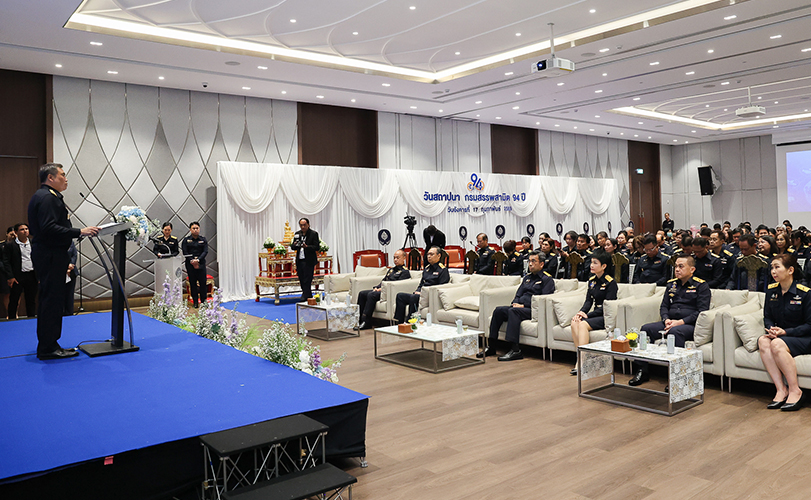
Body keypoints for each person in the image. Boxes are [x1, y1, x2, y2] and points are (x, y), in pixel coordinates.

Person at [28, 164, 99, 359]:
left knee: (51, 300)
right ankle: (48, 348)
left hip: (50, 253)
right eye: (62, 175)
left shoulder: (46, 196)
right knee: (51, 301)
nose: (66, 179)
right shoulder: (47, 198)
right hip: (51, 254)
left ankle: (50, 344)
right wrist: (79, 232)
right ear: (50, 178)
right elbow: (48, 228)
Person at [630, 255, 711, 387]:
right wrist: (666, 319)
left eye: (681, 266)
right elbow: (664, 306)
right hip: (670, 322)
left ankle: (678, 376)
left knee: (675, 332)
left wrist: (680, 322)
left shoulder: (701, 286)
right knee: (645, 329)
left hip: (689, 325)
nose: (677, 269)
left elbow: (702, 312)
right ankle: (642, 370)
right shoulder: (671, 284)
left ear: (692, 269)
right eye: (676, 266)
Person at [478, 251, 554, 362]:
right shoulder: (527, 278)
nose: (530, 264)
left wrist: (523, 305)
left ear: (541, 264)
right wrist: (515, 303)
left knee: (514, 312)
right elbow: (518, 294)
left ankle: (515, 350)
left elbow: (543, 300)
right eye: (529, 261)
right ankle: (491, 346)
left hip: (532, 310)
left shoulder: (547, 280)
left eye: (534, 261)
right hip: (519, 308)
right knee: (499, 310)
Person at [758, 254, 811, 411]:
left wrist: (785, 332)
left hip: (803, 337)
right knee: (763, 340)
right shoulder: (771, 291)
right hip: (782, 336)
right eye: (772, 268)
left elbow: (809, 325)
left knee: (777, 344)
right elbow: (767, 316)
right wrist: (771, 329)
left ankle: (796, 390)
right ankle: (781, 389)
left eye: (777, 267)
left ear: (790, 270)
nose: (773, 271)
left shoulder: (805, 293)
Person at [570, 251, 618, 375]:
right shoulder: (592, 281)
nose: (591, 265)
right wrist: (581, 312)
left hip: (605, 316)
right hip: (595, 314)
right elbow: (588, 301)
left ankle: (582, 362)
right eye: (591, 262)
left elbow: (608, 307)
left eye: (595, 263)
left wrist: (588, 316)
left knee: (583, 324)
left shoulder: (610, 283)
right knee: (574, 322)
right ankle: (581, 358)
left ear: (604, 266)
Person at [356, 249, 410, 330]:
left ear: (404, 258)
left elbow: (397, 285)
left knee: (371, 295)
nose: (395, 260)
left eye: (398, 258)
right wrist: (377, 287)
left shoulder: (405, 272)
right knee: (362, 293)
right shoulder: (391, 270)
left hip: (389, 292)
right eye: (394, 258)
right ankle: (359, 320)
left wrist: (382, 289)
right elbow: (384, 280)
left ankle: (367, 321)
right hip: (382, 290)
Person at [394, 246, 449, 323]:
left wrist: (423, 293)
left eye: (432, 254)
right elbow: (421, 284)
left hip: (430, 296)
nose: (429, 256)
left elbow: (442, 287)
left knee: (414, 297)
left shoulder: (443, 270)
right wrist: (418, 290)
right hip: (420, 295)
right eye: (428, 254)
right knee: (400, 296)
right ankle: (399, 322)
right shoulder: (427, 269)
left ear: (438, 255)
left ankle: (410, 322)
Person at [3, 223, 38, 320]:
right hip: (17, 276)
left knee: (31, 299)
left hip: (32, 274)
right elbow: (6, 262)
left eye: (26, 229)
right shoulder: (10, 245)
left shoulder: (34, 243)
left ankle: (31, 318)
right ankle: (12, 319)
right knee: (14, 299)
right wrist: (10, 277)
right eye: (22, 229)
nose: (25, 231)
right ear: (16, 232)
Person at [290, 218, 319, 300]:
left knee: (307, 278)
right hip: (300, 259)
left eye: (304, 225)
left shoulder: (313, 234)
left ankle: (305, 295)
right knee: (301, 278)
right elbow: (292, 247)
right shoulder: (297, 234)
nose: (303, 227)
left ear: (308, 225)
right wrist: (294, 244)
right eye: (301, 225)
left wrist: (307, 247)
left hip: (309, 260)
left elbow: (317, 247)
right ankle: (308, 294)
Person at [182, 221, 209, 308]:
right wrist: (192, 261)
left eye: (197, 228)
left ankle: (204, 301)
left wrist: (198, 260)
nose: (195, 230)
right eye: (193, 228)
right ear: (190, 230)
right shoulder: (186, 240)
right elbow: (185, 252)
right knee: (193, 283)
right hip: (190, 264)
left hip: (201, 264)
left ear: (199, 229)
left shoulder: (203, 240)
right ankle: (195, 302)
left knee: (203, 283)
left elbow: (205, 251)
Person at [0, 226, 14, 314]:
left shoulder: (18, 244)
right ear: (7, 234)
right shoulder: (1, 245)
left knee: (16, 293)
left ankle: (15, 313)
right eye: (11, 234)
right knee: (7, 293)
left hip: (16, 272)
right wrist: (5, 269)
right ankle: (8, 313)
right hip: (4, 273)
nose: (13, 236)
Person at [64, 241, 78, 316]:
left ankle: (69, 313)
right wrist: (65, 267)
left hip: (71, 271)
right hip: (59, 271)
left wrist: (70, 266)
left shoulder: (71, 242)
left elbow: (74, 255)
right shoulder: (54, 241)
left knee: (69, 294)